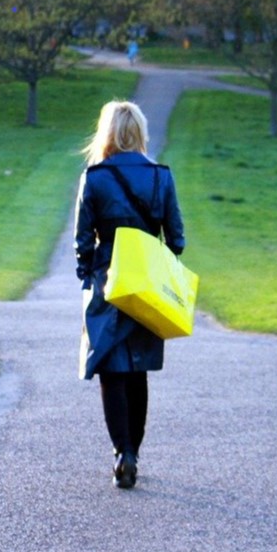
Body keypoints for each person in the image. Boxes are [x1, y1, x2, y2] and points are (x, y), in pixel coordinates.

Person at [74, 100, 185, 489]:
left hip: (108, 281)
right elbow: (178, 240)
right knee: (137, 370)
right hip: (147, 283)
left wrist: (88, 277)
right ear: (139, 132)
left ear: (106, 133)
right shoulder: (161, 177)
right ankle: (133, 451)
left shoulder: (95, 177)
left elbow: (82, 244)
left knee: (110, 368)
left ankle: (122, 451)